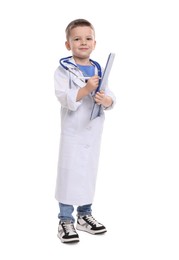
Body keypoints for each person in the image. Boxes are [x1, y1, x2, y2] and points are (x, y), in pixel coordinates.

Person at [54, 18, 116, 243]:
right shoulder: (63, 70)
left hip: (92, 132)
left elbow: (110, 98)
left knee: (88, 175)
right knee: (69, 175)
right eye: (77, 38)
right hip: (73, 131)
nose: (83, 42)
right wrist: (87, 88)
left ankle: (85, 215)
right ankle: (65, 219)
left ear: (94, 43)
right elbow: (65, 99)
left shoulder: (99, 68)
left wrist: (105, 99)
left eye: (88, 38)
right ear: (68, 45)